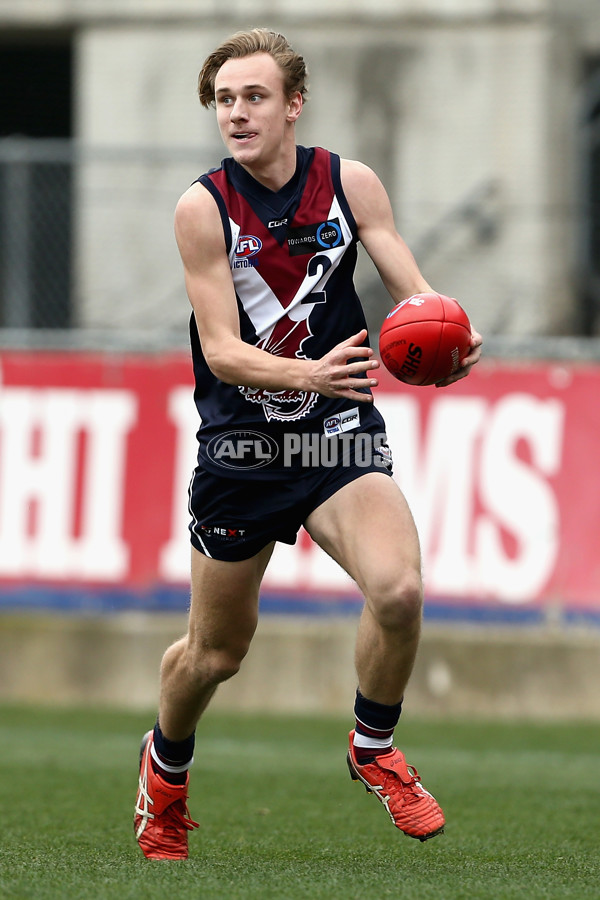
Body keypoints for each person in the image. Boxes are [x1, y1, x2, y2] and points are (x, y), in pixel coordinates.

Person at [134, 27, 482, 860]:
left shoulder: (349, 184)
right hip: (244, 451)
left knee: (397, 590)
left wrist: (447, 336)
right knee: (217, 653)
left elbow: (413, 290)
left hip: (334, 436)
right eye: (224, 100)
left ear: (293, 104)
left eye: (254, 97)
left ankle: (373, 749)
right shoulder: (202, 207)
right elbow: (219, 349)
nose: (237, 113)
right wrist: (308, 377)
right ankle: (165, 774)